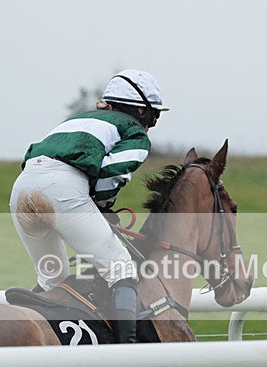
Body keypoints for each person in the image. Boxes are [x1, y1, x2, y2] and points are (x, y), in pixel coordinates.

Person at [9, 69, 168, 344]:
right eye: (155, 115)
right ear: (142, 110)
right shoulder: (134, 133)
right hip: (62, 190)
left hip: (21, 188)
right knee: (122, 269)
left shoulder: (79, 119)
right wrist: (104, 208)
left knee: (53, 277)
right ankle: (130, 354)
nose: (153, 124)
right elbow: (109, 175)